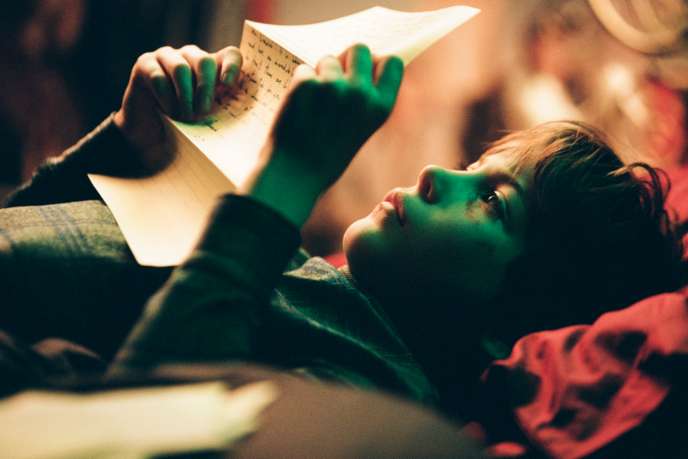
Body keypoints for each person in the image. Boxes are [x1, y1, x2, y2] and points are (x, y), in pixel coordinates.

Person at [1, 43, 684, 413]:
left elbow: (135, 429)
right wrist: (127, 143)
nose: (436, 176)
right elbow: (34, 246)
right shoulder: (295, 269)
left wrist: (285, 184)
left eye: (493, 202)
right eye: (472, 167)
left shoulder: (372, 385)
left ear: (506, 325)